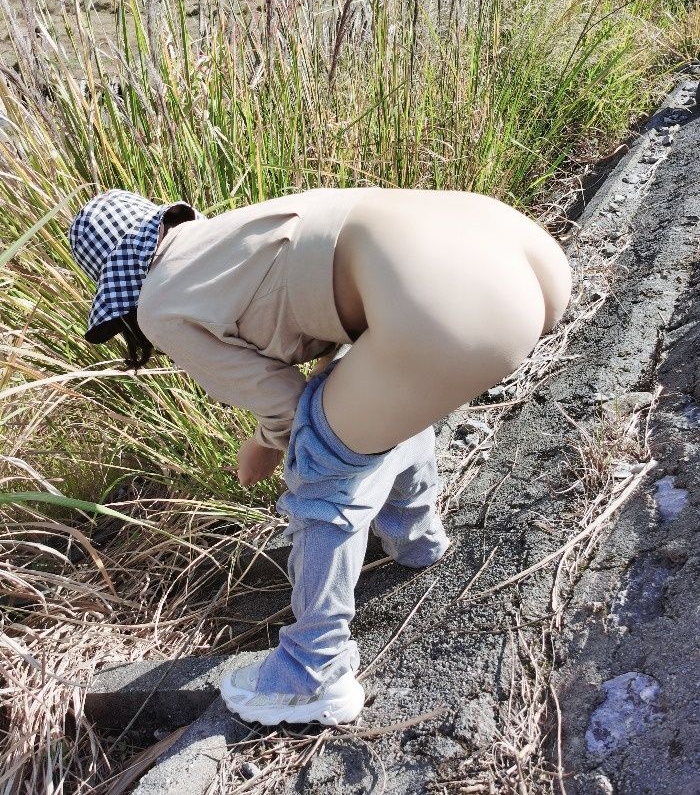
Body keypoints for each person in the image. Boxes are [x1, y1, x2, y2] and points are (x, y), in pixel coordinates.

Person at [68, 185, 572, 727]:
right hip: (516, 250)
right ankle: (416, 537)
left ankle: (312, 672)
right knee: (380, 404)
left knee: (321, 462)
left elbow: (284, 403)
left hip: (447, 308)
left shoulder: (159, 304)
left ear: (119, 280)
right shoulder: (231, 231)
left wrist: (266, 446)